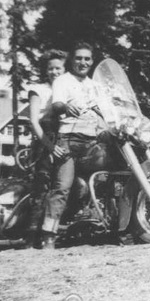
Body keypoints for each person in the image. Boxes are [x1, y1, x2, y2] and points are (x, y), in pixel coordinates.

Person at [41, 42, 104, 249]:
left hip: (92, 140)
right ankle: (48, 235)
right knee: (62, 187)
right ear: (72, 60)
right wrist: (66, 106)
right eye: (79, 58)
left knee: (109, 174)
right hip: (68, 139)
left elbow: (107, 108)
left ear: (92, 61)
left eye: (87, 58)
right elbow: (57, 104)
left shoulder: (95, 86)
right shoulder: (63, 80)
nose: (83, 62)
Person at [25, 49, 67, 248]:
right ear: (46, 71)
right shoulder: (38, 90)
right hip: (45, 139)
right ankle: (32, 238)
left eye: (58, 68)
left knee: (61, 187)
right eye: (51, 68)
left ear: (64, 70)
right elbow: (34, 121)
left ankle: (53, 233)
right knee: (42, 187)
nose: (54, 72)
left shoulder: (68, 90)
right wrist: (49, 147)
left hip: (64, 138)